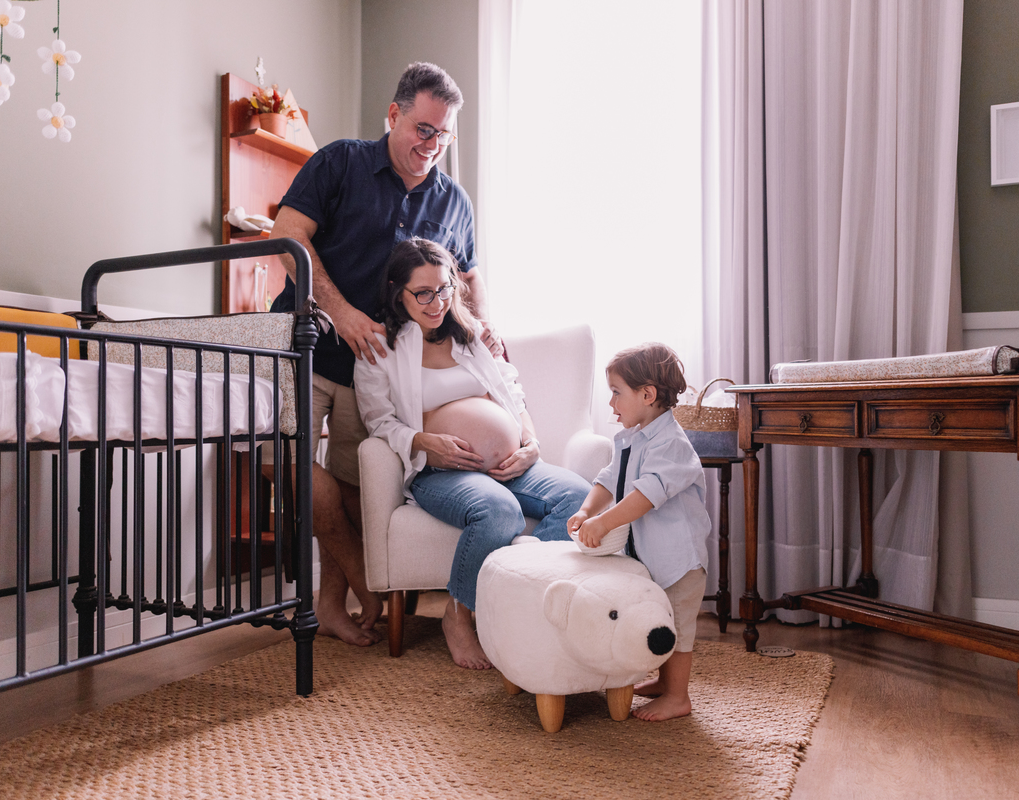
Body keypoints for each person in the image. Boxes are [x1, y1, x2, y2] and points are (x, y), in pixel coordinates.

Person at [268, 62, 501, 646]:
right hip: (303, 343)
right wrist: (341, 314)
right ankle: (362, 578)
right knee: (282, 460)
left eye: (443, 135)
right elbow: (287, 235)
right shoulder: (341, 162)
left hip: (372, 370)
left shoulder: (455, 202)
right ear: (394, 115)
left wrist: (486, 327)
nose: (432, 145)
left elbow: (468, 281)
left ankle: (330, 606)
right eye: (423, 129)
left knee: (353, 484)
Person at [354, 238, 591, 669]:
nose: (436, 302)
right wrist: (427, 442)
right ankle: (458, 615)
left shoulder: (474, 336)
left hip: (511, 464)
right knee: (499, 512)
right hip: (440, 471)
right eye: (422, 293)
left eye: (444, 289)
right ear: (397, 292)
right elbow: (379, 422)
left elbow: (513, 394)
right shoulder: (382, 348)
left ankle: (520, 601)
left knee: (580, 497)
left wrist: (531, 444)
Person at [567, 343, 711, 721]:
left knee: (677, 628)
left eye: (616, 393)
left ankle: (678, 696)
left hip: (679, 561)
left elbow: (646, 496)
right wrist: (586, 510)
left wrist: (604, 522)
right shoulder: (631, 437)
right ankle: (665, 682)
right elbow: (610, 477)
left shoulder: (672, 445)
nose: (611, 403)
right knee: (659, 617)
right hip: (651, 557)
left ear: (647, 395)